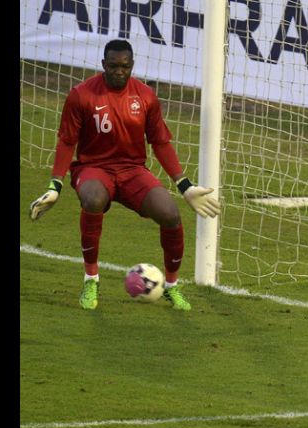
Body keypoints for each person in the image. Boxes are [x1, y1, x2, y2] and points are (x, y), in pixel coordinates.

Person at [29, 39, 220, 311]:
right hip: (93, 168)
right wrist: (55, 185)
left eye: (125, 66)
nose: (120, 71)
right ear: (103, 65)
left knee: (170, 214)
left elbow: (161, 142)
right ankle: (91, 280)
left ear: (132, 66)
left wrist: (185, 186)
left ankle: (172, 287)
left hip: (132, 171)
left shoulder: (145, 96)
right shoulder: (81, 95)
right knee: (93, 200)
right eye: (114, 66)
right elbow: (67, 142)